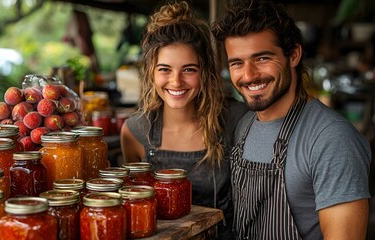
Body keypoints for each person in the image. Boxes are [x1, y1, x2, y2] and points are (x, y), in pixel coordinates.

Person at [211, 1, 371, 239]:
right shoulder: (244, 127)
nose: (248, 75)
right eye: (237, 63)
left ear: (294, 55)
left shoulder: (332, 139)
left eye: (262, 58)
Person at [120, 1, 248, 239]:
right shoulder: (135, 131)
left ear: (205, 72)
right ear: (151, 72)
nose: (176, 82)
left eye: (189, 69)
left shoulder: (236, 119)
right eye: (165, 69)